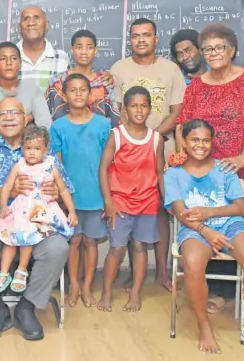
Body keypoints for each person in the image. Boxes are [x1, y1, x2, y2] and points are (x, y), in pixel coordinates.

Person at [174, 23, 244, 316]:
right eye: (208, 48)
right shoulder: (197, 85)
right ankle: (221, 292)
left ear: (232, 50)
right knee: (212, 223)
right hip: (206, 172)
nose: (214, 53)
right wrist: (186, 158)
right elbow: (184, 124)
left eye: (220, 47)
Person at [0, 97, 73, 342]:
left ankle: (27, 307)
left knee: (59, 248)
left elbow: (66, 192)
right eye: (1, 114)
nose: (8, 117)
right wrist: (6, 192)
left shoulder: (44, 152)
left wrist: (56, 195)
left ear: (26, 116)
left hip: (36, 225)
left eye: (14, 112)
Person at [165, 119, 244, 355]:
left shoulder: (224, 168)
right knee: (192, 262)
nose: (200, 145)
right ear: (184, 141)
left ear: (212, 143)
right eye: (194, 140)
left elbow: (240, 207)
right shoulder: (173, 174)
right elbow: (182, 212)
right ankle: (204, 326)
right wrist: (206, 230)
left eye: (205, 140)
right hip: (194, 229)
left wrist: (210, 212)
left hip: (230, 224)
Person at [110, 18, 186, 292]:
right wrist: (136, 139)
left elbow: (178, 112)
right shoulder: (118, 69)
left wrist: (152, 137)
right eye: (135, 36)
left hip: (162, 145)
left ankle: (163, 273)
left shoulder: (171, 70)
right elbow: (117, 111)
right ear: (130, 39)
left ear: (156, 38)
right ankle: (134, 272)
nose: (141, 40)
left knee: (161, 211)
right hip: (128, 150)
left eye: (147, 35)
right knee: (132, 207)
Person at [97, 86, 165, 312]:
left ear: (150, 109)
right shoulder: (116, 135)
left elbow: (160, 172)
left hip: (147, 203)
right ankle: (106, 291)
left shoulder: (156, 139)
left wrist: (168, 200)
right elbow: (103, 168)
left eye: (144, 105)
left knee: (139, 247)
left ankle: (135, 293)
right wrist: (108, 201)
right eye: (134, 105)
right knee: (116, 248)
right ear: (124, 109)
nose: (139, 110)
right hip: (120, 203)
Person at [0, 125, 77, 294]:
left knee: (26, 235)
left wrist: (71, 211)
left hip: (40, 211)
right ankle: (3, 273)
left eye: (37, 149)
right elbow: (7, 187)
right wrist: (3, 206)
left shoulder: (51, 166)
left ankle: (21, 270)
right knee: (11, 238)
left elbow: (64, 190)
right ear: (22, 147)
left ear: (46, 149)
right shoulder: (19, 165)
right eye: (28, 148)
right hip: (21, 209)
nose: (31, 152)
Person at [50, 73, 111, 308]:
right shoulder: (58, 126)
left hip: (96, 194)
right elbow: (57, 163)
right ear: (64, 96)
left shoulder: (103, 124)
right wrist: (62, 197)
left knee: (91, 242)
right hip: (71, 197)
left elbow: (108, 162)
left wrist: (108, 197)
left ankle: (87, 287)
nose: (78, 94)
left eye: (83, 89)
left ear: (90, 94)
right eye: (72, 90)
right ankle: (73, 285)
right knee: (73, 241)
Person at [0, 41, 52, 138]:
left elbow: (45, 126)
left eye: (14, 58)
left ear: (20, 64)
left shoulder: (31, 88)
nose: (9, 63)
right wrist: (30, 116)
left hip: (28, 146)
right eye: (3, 59)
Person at [46, 30, 119, 126]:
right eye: (79, 47)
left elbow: (114, 119)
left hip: (97, 138)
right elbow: (45, 116)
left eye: (89, 47)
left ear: (95, 50)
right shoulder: (56, 82)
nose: (84, 52)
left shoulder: (104, 82)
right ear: (72, 50)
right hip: (61, 138)